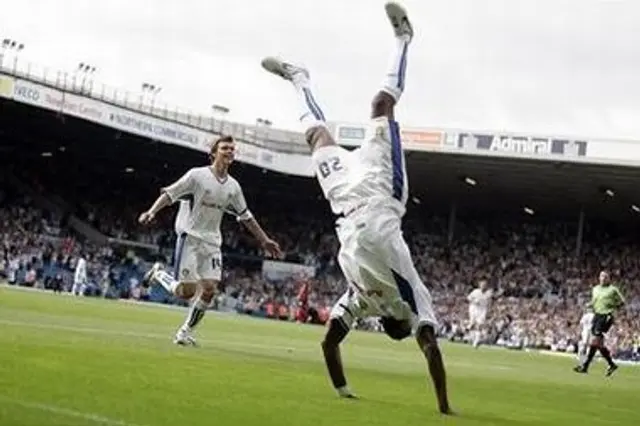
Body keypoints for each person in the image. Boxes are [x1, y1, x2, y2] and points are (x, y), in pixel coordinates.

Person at [261, 2, 452, 415]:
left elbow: (329, 341)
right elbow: (431, 348)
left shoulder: (360, 299)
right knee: (380, 106)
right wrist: (443, 407)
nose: (391, 323)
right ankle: (403, 39)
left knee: (316, 138)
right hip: (383, 193)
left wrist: (344, 392)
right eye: (397, 326)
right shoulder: (413, 298)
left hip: (344, 202)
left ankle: (299, 78)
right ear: (400, 324)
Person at [138, 135, 282, 345]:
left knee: (210, 289)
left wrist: (265, 240)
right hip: (190, 236)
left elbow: (246, 215)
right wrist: (151, 212)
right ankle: (159, 273)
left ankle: (185, 332)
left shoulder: (233, 187)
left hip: (212, 241)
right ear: (213, 153)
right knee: (186, 293)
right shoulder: (197, 175)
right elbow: (170, 193)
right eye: (225, 148)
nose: (230, 152)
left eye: (232, 149)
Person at [573, 270, 625, 376]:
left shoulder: (613, 289)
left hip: (606, 316)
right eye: (601, 276)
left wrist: (612, 308)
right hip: (597, 316)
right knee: (597, 344)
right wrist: (590, 304)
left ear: (609, 279)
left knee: (595, 341)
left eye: (605, 277)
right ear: (599, 278)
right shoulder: (595, 289)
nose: (603, 278)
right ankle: (611, 364)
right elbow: (594, 301)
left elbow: (622, 302)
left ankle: (585, 366)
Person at [467, 279, 493, 348]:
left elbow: (489, 301)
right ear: (479, 285)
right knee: (472, 324)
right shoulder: (475, 291)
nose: (483, 286)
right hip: (474, 308)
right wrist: (474, 301)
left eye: (485, 285)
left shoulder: (489, 293)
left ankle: (476, 342)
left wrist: (489, 310)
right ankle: (471, 336)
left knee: (479, 325)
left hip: (482, 310)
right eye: (482, 285)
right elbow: (469, 298)